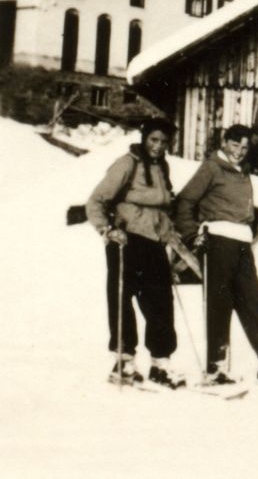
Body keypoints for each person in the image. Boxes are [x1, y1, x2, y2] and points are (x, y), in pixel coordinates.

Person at [173, 124, 258, 385]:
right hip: (218, 241)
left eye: (244, 147)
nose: (239, 151)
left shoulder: (242, 172)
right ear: (224, 142)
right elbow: (185, 201)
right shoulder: (211, 168)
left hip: (242, 244)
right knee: (220, 304)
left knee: (254, 303)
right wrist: (192, 235)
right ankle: (216, 368)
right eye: (235, 145)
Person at [85, 118, 186, 389]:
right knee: (122, 298)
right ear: (144, 138)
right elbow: (96, 201)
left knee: (161, 302)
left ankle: (160, 364)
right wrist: (107, 230)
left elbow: (163, 205)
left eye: (164, 141)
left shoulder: (162, 167)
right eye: (154, 140)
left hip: (154, 242)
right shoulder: (126, 164)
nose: (158, 146)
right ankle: (124, 362)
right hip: (126, 240)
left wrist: (168, 229)